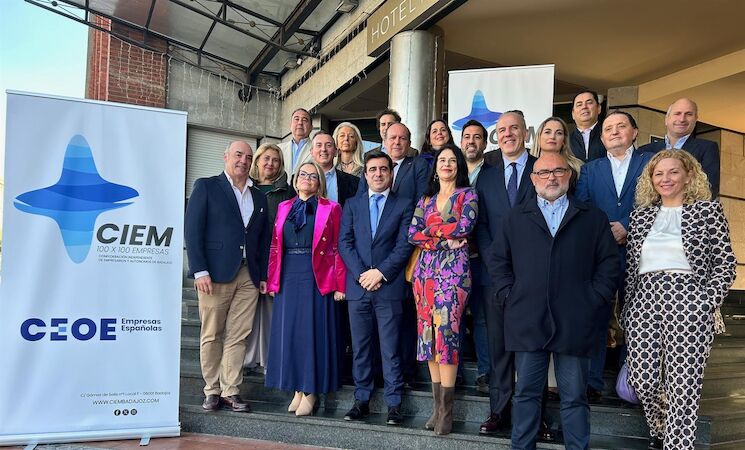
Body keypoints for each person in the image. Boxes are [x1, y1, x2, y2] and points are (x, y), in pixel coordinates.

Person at [487, 152, 620, 450]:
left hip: (576, 320)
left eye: (558, 171)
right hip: (527, 318)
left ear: (569, 176)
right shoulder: (515, 217)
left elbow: (610, 264)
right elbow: (497, 262)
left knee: (574, 396)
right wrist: (509, 294)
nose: (551, 177)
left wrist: (594, 298)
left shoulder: (592, 217)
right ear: (533, 179)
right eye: (544, 173)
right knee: (526, 394)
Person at [622, 150, 736, 450]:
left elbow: (725, 263)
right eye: (658, 174)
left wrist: (706, 301)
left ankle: (677, 443)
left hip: (689, 297)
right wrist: (628, 309)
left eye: (673, 172)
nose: (665, 179)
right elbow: (632, 266)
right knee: (643, 379)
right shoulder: (641, 215)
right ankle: (661, 428)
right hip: (644, 300)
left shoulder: (708, 211)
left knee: (683, 384)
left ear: (688, 175)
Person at [184, 140, 270, 413]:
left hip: (248, 276)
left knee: (239, 335)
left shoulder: (259, 197)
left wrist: (263, 274)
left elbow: (263, 239)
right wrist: (199, 270)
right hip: (214, 274)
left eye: (248, 157)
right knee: (212, 334)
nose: (243, 160)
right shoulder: (206, 186)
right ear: (225, 157)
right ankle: (211, 390)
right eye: (238, 155)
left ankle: (231, 389)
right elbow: (192, 230)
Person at [575, 111, 652, 403]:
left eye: (621, 126)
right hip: (601, 252)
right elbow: (582, 206)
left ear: (634, 132)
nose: (615, 131)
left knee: (637, 318)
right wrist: (605, 231)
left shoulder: (650, 163)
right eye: (608, 128)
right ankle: (593, 381)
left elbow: (657, 201)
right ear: (602, 136)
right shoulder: (590, 169)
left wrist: (628, 226)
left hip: (641, 252)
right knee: (597, 315)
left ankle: (631, 382)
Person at [339, 150, 415, 426]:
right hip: (358, 287)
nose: (378, 173)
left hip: (388, 286)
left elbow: (405, 245)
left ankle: (394, 404)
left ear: (391, 174)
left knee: (390, 348)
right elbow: (344, 243)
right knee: (361, 347)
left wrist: (380, 273)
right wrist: (363, 274)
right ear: (366, 174)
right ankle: (361, 400)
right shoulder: (352, 205)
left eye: (384, 169)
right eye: (373, 169)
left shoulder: (404, 204)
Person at [265, 161, 347, 417]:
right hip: (288, 276)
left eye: (313, 176)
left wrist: (340, 284)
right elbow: (275, 246)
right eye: (303, 174)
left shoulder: (331, 208)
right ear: (295, 179)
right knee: (290, 333)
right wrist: (272, 279)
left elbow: (338, 247)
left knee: (311, 333)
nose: (307, 179)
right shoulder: (284, 207)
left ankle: (310, 391)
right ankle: (296, 389)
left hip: (317, 277)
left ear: (320, 182)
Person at [408, 144, 478, 435]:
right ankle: (436, 408)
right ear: (435, 167)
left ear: (458, 166)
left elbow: (465, 227)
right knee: (428, 337)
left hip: (454, 273)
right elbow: (412, 234)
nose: (447, 164)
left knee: (446, 334)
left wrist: (430, 233)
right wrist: (441, 238)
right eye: (442, 160)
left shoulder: (468, 195)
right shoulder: (425, 199)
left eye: (452, 160)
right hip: (424, 274)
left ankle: (447, 412)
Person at [475, 110, 537, 435]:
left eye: (514, 128)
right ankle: (498, 411)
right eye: (502, 130)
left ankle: (532, 414)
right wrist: (495, 263)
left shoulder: (542, 169)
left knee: (531, 349)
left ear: (526, 132)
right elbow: (481, 225)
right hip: (495, 276)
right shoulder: (486, 176)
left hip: (535, 275)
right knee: (498, 346)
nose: (508, 134)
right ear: (496, 137)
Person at [243, 143, 296, 372]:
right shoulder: (245, 186)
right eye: (266, 158)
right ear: (257, 161)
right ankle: (245, 360)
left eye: (275, 160)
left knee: (270, 314)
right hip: (247, 257)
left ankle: (268, 360)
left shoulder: (287, 192)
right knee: (245, 312)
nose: (270, 163)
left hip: (275, 258)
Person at [460, 119, 491, 394]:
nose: (471, 141)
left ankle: (485, 371)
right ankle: (454, 370)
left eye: (477, 137)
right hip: (453, 260)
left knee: (482, 316)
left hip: (482, 256)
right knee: (454, 317)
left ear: (485, 142)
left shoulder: (493, 173)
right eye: (467, 136)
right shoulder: (451, 171)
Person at [638, 98, 720, 198]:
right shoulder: (644, 150)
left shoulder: (707, 148)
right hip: (650, 207)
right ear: (667, 119)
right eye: (677, 113)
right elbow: (638, 187)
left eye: (688, 114)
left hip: (690, 207)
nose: (682, 119)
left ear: (695, 119)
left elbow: (710, 187)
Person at [531, 117, 584, 191]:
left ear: (564, 140)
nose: (552, 137)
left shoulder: (578, 167)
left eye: (559, 133)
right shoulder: (526, 165)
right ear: (538, 137)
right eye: (547, 132)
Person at [310, 131, 359, 207]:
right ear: (311, 152)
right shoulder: (299, 180)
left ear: (336, 151)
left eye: (328, 145)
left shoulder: (354, 182)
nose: (323, 149)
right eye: (319, 145)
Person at [570, 90, 606, 162]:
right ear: (573, 114)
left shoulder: (609, 135)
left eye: (589, 103)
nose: (584, 107)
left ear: (599, 108)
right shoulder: (566, 140)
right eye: (579, 104)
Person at [278, 108, 313, 176]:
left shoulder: (317, 150)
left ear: (311, 127)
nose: (300, 123)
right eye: (296, 119)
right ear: (290, 125)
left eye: (304, 120)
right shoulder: (278, 149)